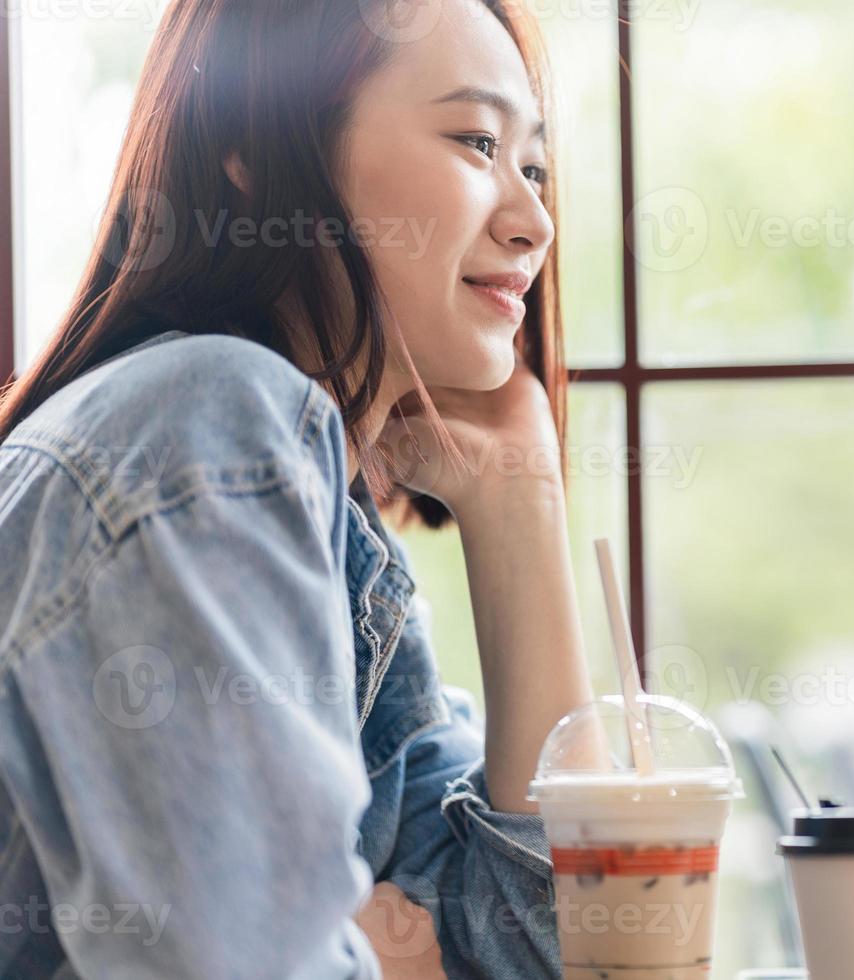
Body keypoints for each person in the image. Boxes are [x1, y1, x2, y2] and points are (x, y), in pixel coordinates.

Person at [0, 0, 592, 976]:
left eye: (533, 165)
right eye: (476, 140)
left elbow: (551, 951)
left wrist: (520, 502)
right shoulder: (200, 429)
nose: (535, 220)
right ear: (254, 141)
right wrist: (392, 957)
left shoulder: (338, 550)